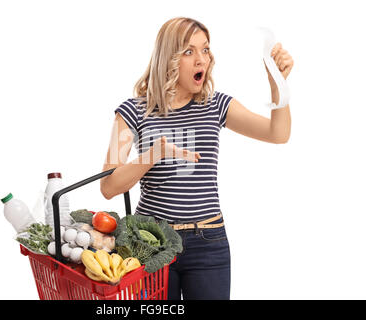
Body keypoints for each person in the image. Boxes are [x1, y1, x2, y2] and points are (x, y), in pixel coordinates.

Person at [100, 17, 293, 300]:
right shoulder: (132, 111)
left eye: (205, 49)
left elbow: (278, 133)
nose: (201, 59)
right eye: (189, 51)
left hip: (208, 243)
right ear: (168, 58)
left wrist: (278, 84)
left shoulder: (216, 105)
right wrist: (154, 154)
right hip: (151, 243)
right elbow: (108, 187)